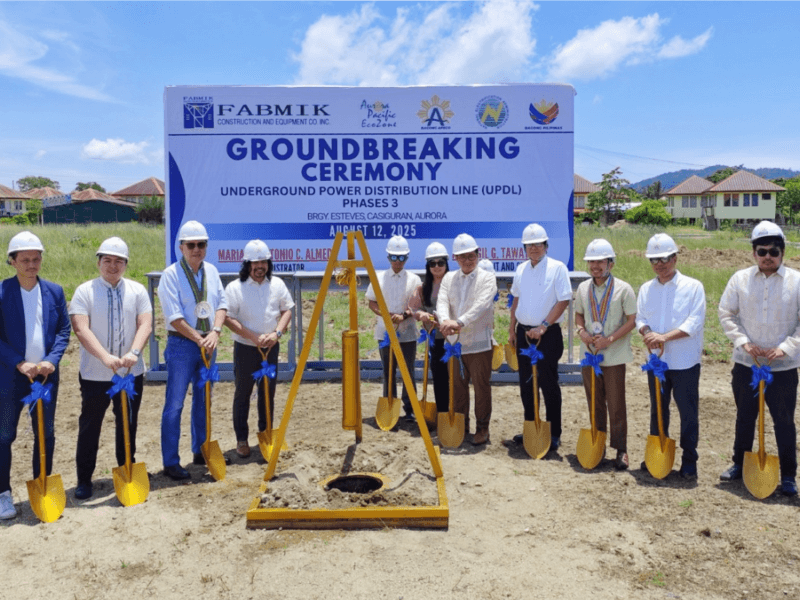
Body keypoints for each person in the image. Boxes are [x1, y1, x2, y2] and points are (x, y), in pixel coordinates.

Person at [718, 221, 799, 496]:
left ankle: (788, 474)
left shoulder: (797, 281)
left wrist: (786, 348)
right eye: (762, 250)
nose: (768, 256)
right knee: (745, 417)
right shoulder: (739, 279)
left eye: (774, 251)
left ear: (782, 251)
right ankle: (740, 464)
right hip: (746, 364)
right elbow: (726, 314)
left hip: (783, 367)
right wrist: (744, 342)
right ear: (753, 252)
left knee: (784, 420)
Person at [70, 237, 153, 499]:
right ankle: (84, 479)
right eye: (107, 260)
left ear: (126, 264)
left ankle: (126, 468)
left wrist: (134, 353)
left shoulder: (138, 291)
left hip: (130, 373)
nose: (113, 266)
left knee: (128, 423)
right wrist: (106, 358)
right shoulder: (84, 291)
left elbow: (146, 324)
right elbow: (81, 329)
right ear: (99, 262)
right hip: (96, 375)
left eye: (119, 261)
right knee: (90, 424)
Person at [0, 231, 70, 520]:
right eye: (25, 259)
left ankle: (42, 483)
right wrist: (19, 363)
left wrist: (52, 360)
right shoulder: (2, 292)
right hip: (10, 378)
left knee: (46, 433)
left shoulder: (54, 291)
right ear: (13, 261)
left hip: (44, 377)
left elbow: (64, 331)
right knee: (4, 435)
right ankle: (3, 493)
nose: (32, 264)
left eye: (36, 259)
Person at [158, 220, 227, 480]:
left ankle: (201, 449)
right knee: (175, 403)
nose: (196, 249)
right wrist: (200, 339)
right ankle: (171, 461)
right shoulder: (171, 275)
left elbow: (222, 304)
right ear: (181, 247)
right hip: (182, 345)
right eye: (191, 245)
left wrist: (216, 332)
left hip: (208, 344)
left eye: (201, 244)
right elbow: (174, 317)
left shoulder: (212, 271)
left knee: (204, 399)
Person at [637, 233, 706, 479]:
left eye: (665, 258)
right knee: (658, 409)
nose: (660, 264)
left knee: (687, 412)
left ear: (675, 258)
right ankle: (657, 453)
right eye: (654, 259)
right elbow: (641, 319)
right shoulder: (646, 289)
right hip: (657, 362)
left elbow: (694, 323)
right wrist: (647, 333)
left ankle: (689, 460)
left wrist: (664, 338)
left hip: (685, 362)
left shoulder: (693, 287)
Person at [224, 240, 294, 458]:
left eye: (263, 262)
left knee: (267, 393)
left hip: (270, 350)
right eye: (255, 263)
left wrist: (276, 334)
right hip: (246, 350)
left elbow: (287, 311)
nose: (260, 267)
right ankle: (242, 439)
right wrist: (253, 337)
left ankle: (266, 434)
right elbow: (227, 317)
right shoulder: (235, 288)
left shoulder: (278, 285)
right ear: (247, 264)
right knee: (243, 394)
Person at [573, 239, 637, 470]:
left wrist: (610, 339)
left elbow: (632, 320)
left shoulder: (623, 289)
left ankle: (621, 449)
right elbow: (578, 315)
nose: (595, 266)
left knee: (616, 403)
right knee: (594, 402)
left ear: (611, 263)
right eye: (591, 262)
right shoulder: (582, 289)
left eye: (600, 261)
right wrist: (581, 331)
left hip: (614, 357)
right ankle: (597, 444)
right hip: (590, 355)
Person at [508, 223, 571, 452]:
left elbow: (563, 300)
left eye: (538, 244)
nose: (533, 248)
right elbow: (515, 299)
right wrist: (511, 328)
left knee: (548, 383)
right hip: (524, 333)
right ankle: (531, 426)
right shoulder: (521, 269)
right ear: (524, 248)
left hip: (547, 335)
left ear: (546, 245)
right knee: (527, 384)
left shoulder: (557, 268)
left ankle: (554, 432)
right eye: (529, 245)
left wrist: (544, 326)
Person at [438, 233, 497, 445]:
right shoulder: (448, 278)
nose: (467, 261)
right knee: (457, 388)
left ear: (478, 254)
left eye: (471, 256)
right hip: (454, 344)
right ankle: (461, 426)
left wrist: (459, 322)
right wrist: (445, 320)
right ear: (455, 258)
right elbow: (442, 302)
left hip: (479, 343)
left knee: (481, 388)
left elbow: (481, 305)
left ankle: (483, 428)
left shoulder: (487, 278)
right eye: (462, 257)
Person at [366, 235, 421, 421]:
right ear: (388, 257)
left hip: (408, 333)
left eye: (402, 258)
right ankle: (390, 404)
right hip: (385, 333)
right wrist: (386, 315)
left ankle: (410, 408)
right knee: (388, 371)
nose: (398, 262)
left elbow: (416, 304)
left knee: (408, 371)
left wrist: (404, 315)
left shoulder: (414, 279)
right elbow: (371, 302)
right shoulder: (378, 278)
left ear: (407, 257)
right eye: (395, 258)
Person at [410, 242, 450, 414]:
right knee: (440, 379)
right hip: (435, 341)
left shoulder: (455, 283)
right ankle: (442, 414)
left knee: (456, 381)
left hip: (454, 341)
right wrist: (421, 315)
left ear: (446, 263)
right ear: (428, 266)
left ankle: (457, 415)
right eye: (432, 263)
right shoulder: (422, 288)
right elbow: (413, 308)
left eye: (440, 262)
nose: (437, 267)